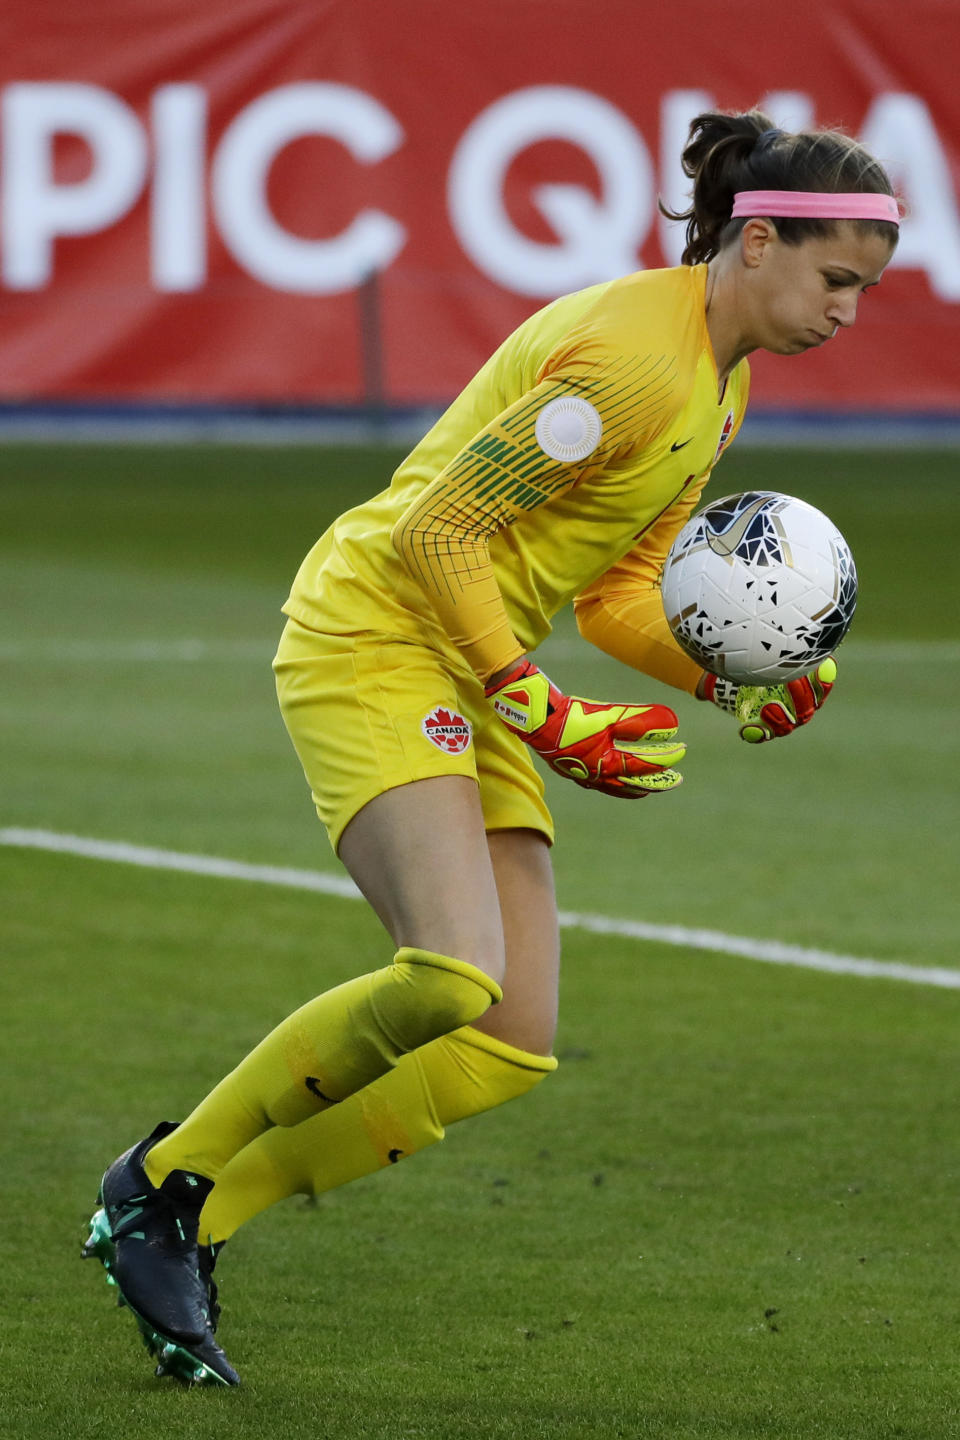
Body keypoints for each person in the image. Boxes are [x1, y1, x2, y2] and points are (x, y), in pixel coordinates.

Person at [83, 109, 900, 1386]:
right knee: (450, 975)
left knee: (508, 1037)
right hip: (379, 634)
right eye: (838, 278)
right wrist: (536, 704)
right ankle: (159, 1184)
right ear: (755, 244)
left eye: (869, 287)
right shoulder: (632, 361)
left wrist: (725, 678)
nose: (851, 310)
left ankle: (194, 1224)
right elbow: (436, 539)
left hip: (466, 653)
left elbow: (616, 590)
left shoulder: (716, 383)